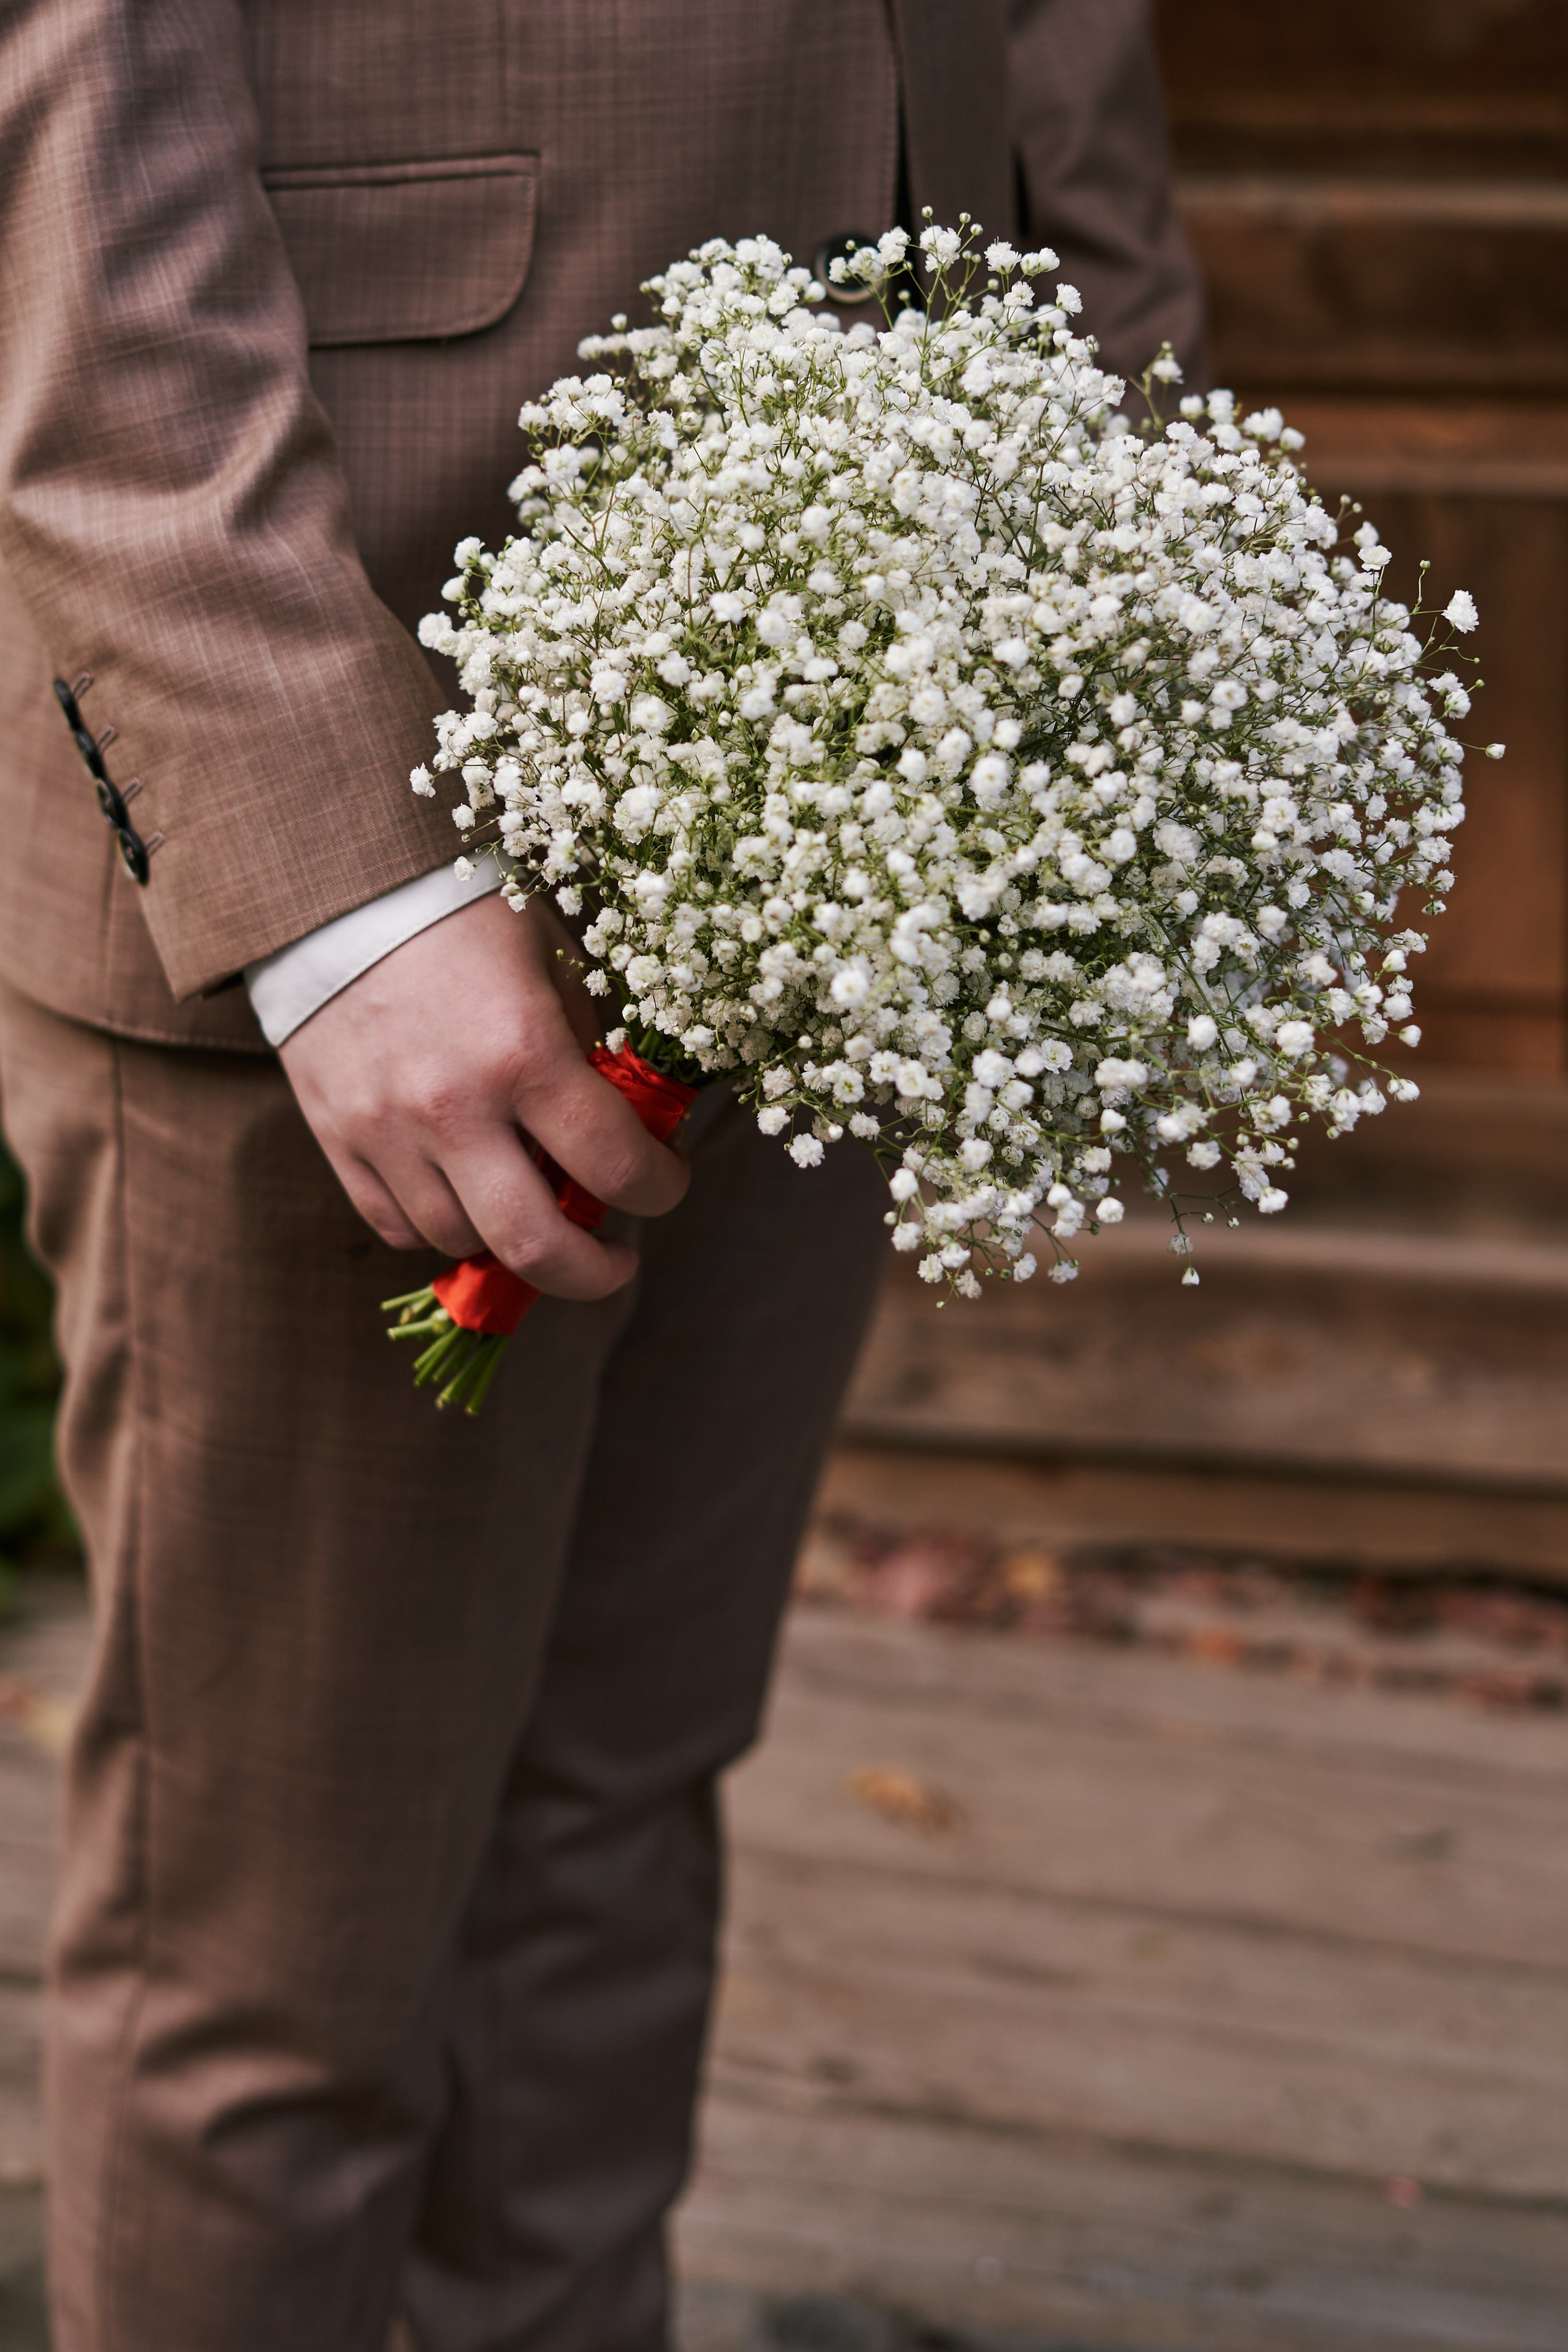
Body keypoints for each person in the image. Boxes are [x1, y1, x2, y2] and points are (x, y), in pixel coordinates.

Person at [0, 4, 1204, 2345]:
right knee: (277, 1974)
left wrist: (1133, 525)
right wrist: (332, 872)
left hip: (881, 719)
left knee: (610, 1845)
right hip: (358, 742)